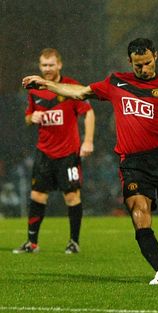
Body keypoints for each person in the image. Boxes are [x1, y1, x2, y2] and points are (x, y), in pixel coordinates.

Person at [22, 38, 158, 284]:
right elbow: (79, 92)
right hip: (132, 163)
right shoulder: (116, 82)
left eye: (146, 63)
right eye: (137, 65)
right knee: (139, 211)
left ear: (156, 56)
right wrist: (45, 83)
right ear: (129, 62)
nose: (143, 69)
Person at [14, 48, 95, 254]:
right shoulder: (34, 90)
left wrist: (88, 141)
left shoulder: (70, 87)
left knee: (72, 197)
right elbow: (28, 116)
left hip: (68, 153)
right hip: (44, 152)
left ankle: (73, 242)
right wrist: (30, 118)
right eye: (44, 65)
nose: (47, 69)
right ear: (39, 66)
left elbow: (89, 113)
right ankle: (32, 243)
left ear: (59, 65)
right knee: (37, 196)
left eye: (51, 65)